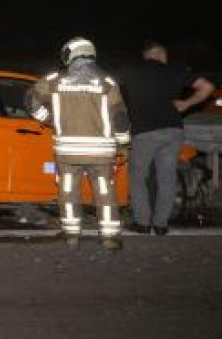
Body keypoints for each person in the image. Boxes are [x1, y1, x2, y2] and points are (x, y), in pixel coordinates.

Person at [27, 37, 131, 251]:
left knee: (67, 190)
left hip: (67, 150)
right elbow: (120, 117)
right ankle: (110, 237)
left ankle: (72, 236)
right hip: (100, 152)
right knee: (104, 191)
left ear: (71, 54)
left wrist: (51, 120)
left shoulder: (54, 80)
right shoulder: (107, 82)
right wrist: (123, 144)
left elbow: (30, 101)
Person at [119, 41, 214, 235]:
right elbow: (207, 87)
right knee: (167, 178)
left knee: (138, 177)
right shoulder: (175, 70)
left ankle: (142, 222)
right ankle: (161, 225)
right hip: (173, 130)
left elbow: (118, 95)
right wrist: (186, 104)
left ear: (146, 55)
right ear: (162, 54)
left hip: (145, 131)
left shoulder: (130, 71)